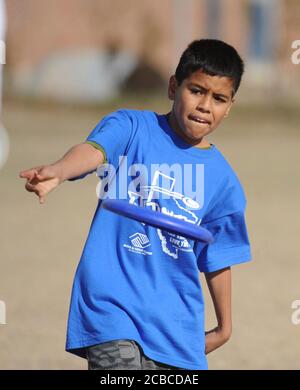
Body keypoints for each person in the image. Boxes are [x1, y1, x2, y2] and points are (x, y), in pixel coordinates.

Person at [20, 39, 251, 370]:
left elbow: (218, 254)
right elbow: (94, 150)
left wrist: (224, 328)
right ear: (174, 87)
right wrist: (58, 170)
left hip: (175, 327)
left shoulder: (224, 181)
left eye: (218, 98)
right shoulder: (131, 127)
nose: (204, 105)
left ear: (229, 106)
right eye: (196, 90)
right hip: (112, 309)